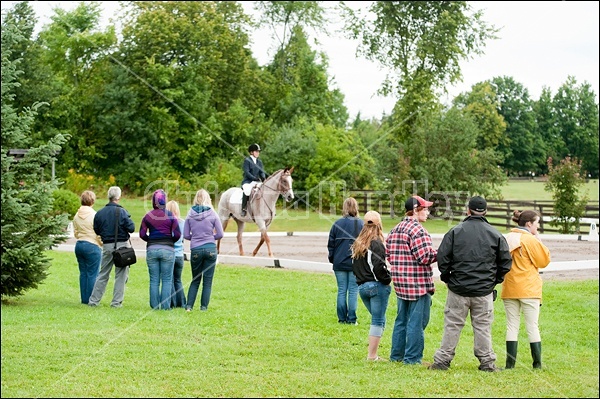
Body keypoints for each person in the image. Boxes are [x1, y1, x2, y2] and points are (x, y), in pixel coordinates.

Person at [429, 196, 512, 372]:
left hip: (458, 288)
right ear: (485, 211)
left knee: (452, 324)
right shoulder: (495, 234)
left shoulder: (455, 231)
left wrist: (447, 277)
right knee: (482, 326)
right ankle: (487, 362)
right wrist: (493, 281)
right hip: (483, 290)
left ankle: (442, 360)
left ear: (468, 210)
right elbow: (505, 263)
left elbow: (443, 257)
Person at [386, 195, 438, 365]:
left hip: (400, 283)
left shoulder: (395, 229)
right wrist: (443, 252)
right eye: (426, 208)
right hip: (418, 285)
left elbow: (389, 255)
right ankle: (413, 358)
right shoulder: (418, 230)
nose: (428, 212)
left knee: (401, 320)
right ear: (416, 210)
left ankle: (397, 356)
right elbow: (425, 256)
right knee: (416, 322)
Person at [502, 209, 551, 369]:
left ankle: (510, 364)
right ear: (529, 224)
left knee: (512, 325)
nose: (538, 227)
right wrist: (539, 240)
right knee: (532, 325)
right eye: (537, 223)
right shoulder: (530, 240)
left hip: (510, 287)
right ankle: (536, 363)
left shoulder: (507, 238)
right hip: (529, 288)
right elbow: (543, 261)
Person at [351, 211, 392, 361]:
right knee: (378, 320)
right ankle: (372, 355)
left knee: (378, 319)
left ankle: (373, 353)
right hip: (375, 285)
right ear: (379, 224)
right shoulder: (376, 243)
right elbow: (378, 266)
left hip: (361, 287)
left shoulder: (358, 243)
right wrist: (387, 279)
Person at [88, 186, 136, 308]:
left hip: (107, 246)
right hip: (122, 247)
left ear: (108, 196)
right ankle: (116, 302)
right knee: (121, 275)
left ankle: (94, 301)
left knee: (103, 274)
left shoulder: (100, 213)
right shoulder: (122, 212)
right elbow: (131, 228)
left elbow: (97, 230)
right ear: (118, 197)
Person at [139, 189, 181, 310]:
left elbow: (142, 234)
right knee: (167, 279)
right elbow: (177, 234)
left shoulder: (148, 216)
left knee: (154, 279)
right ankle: (165, 306)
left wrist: (150, 240)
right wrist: (170, 241)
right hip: (168, 249)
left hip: (152, 249)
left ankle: (154, 306)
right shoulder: (170, 216)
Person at [184, 189, 224, 312]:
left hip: (196, 248)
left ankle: (189, 306)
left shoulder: (190, 214)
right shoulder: (213, 213)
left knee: (195, 279)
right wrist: (211, 237)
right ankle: (203, 308)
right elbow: (220, 234)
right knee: (208, 281)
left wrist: (195, 238)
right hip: (210, 248)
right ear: (208, 199)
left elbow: (185, 234)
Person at [327, 197, 364, 325]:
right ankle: (352, 319)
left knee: (342, 290)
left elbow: (330, 245)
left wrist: (333, 259)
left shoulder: (337, 224)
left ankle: (341, 318)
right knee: (353, 290)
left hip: (339, 262)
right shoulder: (361, 224)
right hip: (355, 262)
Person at [72, 190, 103, 304]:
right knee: (92, 273)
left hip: (79, 244)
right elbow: (98, 233)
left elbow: (75, 232)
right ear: (93, 201)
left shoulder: (76, 215)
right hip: (92, 245)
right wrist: (101, 243)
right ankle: (91, 299)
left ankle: (84, 299)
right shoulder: (94, 215)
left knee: (83, 272)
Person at [166, 200, 187, 309]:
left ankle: (172, 302)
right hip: (180, 255)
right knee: (178, 279)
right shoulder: (182, 223)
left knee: (169, 279)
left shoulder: (166, 223)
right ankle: (182, 302)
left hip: (170, 253)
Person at [241, 143, 267, 216]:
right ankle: (244, 208)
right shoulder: (247, 160)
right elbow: (247, 172)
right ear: (251, 152)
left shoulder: (259, 162)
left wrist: (263, 178)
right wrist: (254, 178)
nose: (258, 153)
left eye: (258, 151)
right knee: (247, 190)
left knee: (265, 190)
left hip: (257, 181)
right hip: (248, 181)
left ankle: (266, 209)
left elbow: (261, 172)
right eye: (256, 151)